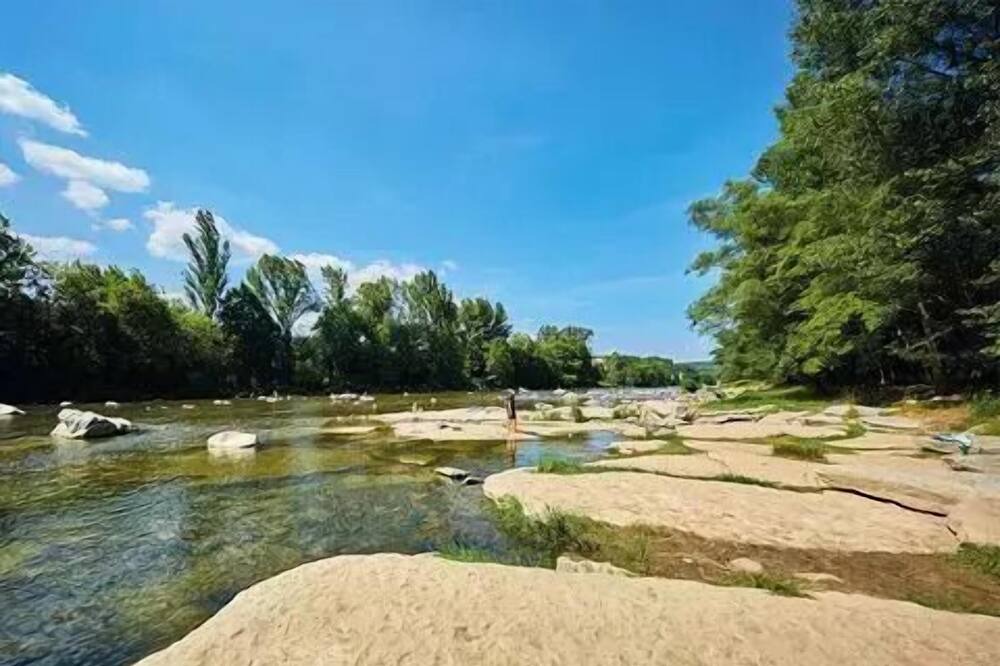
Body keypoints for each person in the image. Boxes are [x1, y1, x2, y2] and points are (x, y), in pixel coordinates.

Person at [503, 389, 518, 462]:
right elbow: (509, 407)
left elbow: (508, 406)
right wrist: (510, 411)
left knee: (512, 420)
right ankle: (511, 429)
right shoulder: (509, 400)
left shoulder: (509, 400)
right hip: (511, 411)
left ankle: (511, 429)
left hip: (511, 411)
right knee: (511, 419)